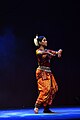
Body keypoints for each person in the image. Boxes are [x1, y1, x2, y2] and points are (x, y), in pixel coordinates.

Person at [34, 35, 62, 114]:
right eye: (44, 40)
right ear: (40, 42)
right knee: (45, 89)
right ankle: (37, 105)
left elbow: (55, 52)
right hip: (42, 72)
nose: (46, 41)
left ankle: (46, 108)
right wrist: (47, 52)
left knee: (54, 88)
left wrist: (59, 52)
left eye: (46, 40)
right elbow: (40, 53)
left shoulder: (47, 50)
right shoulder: (38, 51)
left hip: (48, 72)